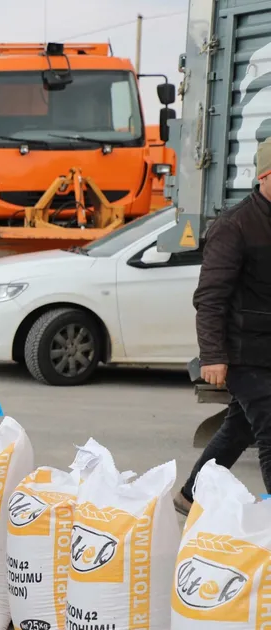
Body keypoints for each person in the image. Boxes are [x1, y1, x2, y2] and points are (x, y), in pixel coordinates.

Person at [175, 138, 271, 516]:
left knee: (240, 430)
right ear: (265, 176)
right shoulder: (235, 226)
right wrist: (213, 356)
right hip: (242, 353)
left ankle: (190, 496)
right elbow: (210, 298)